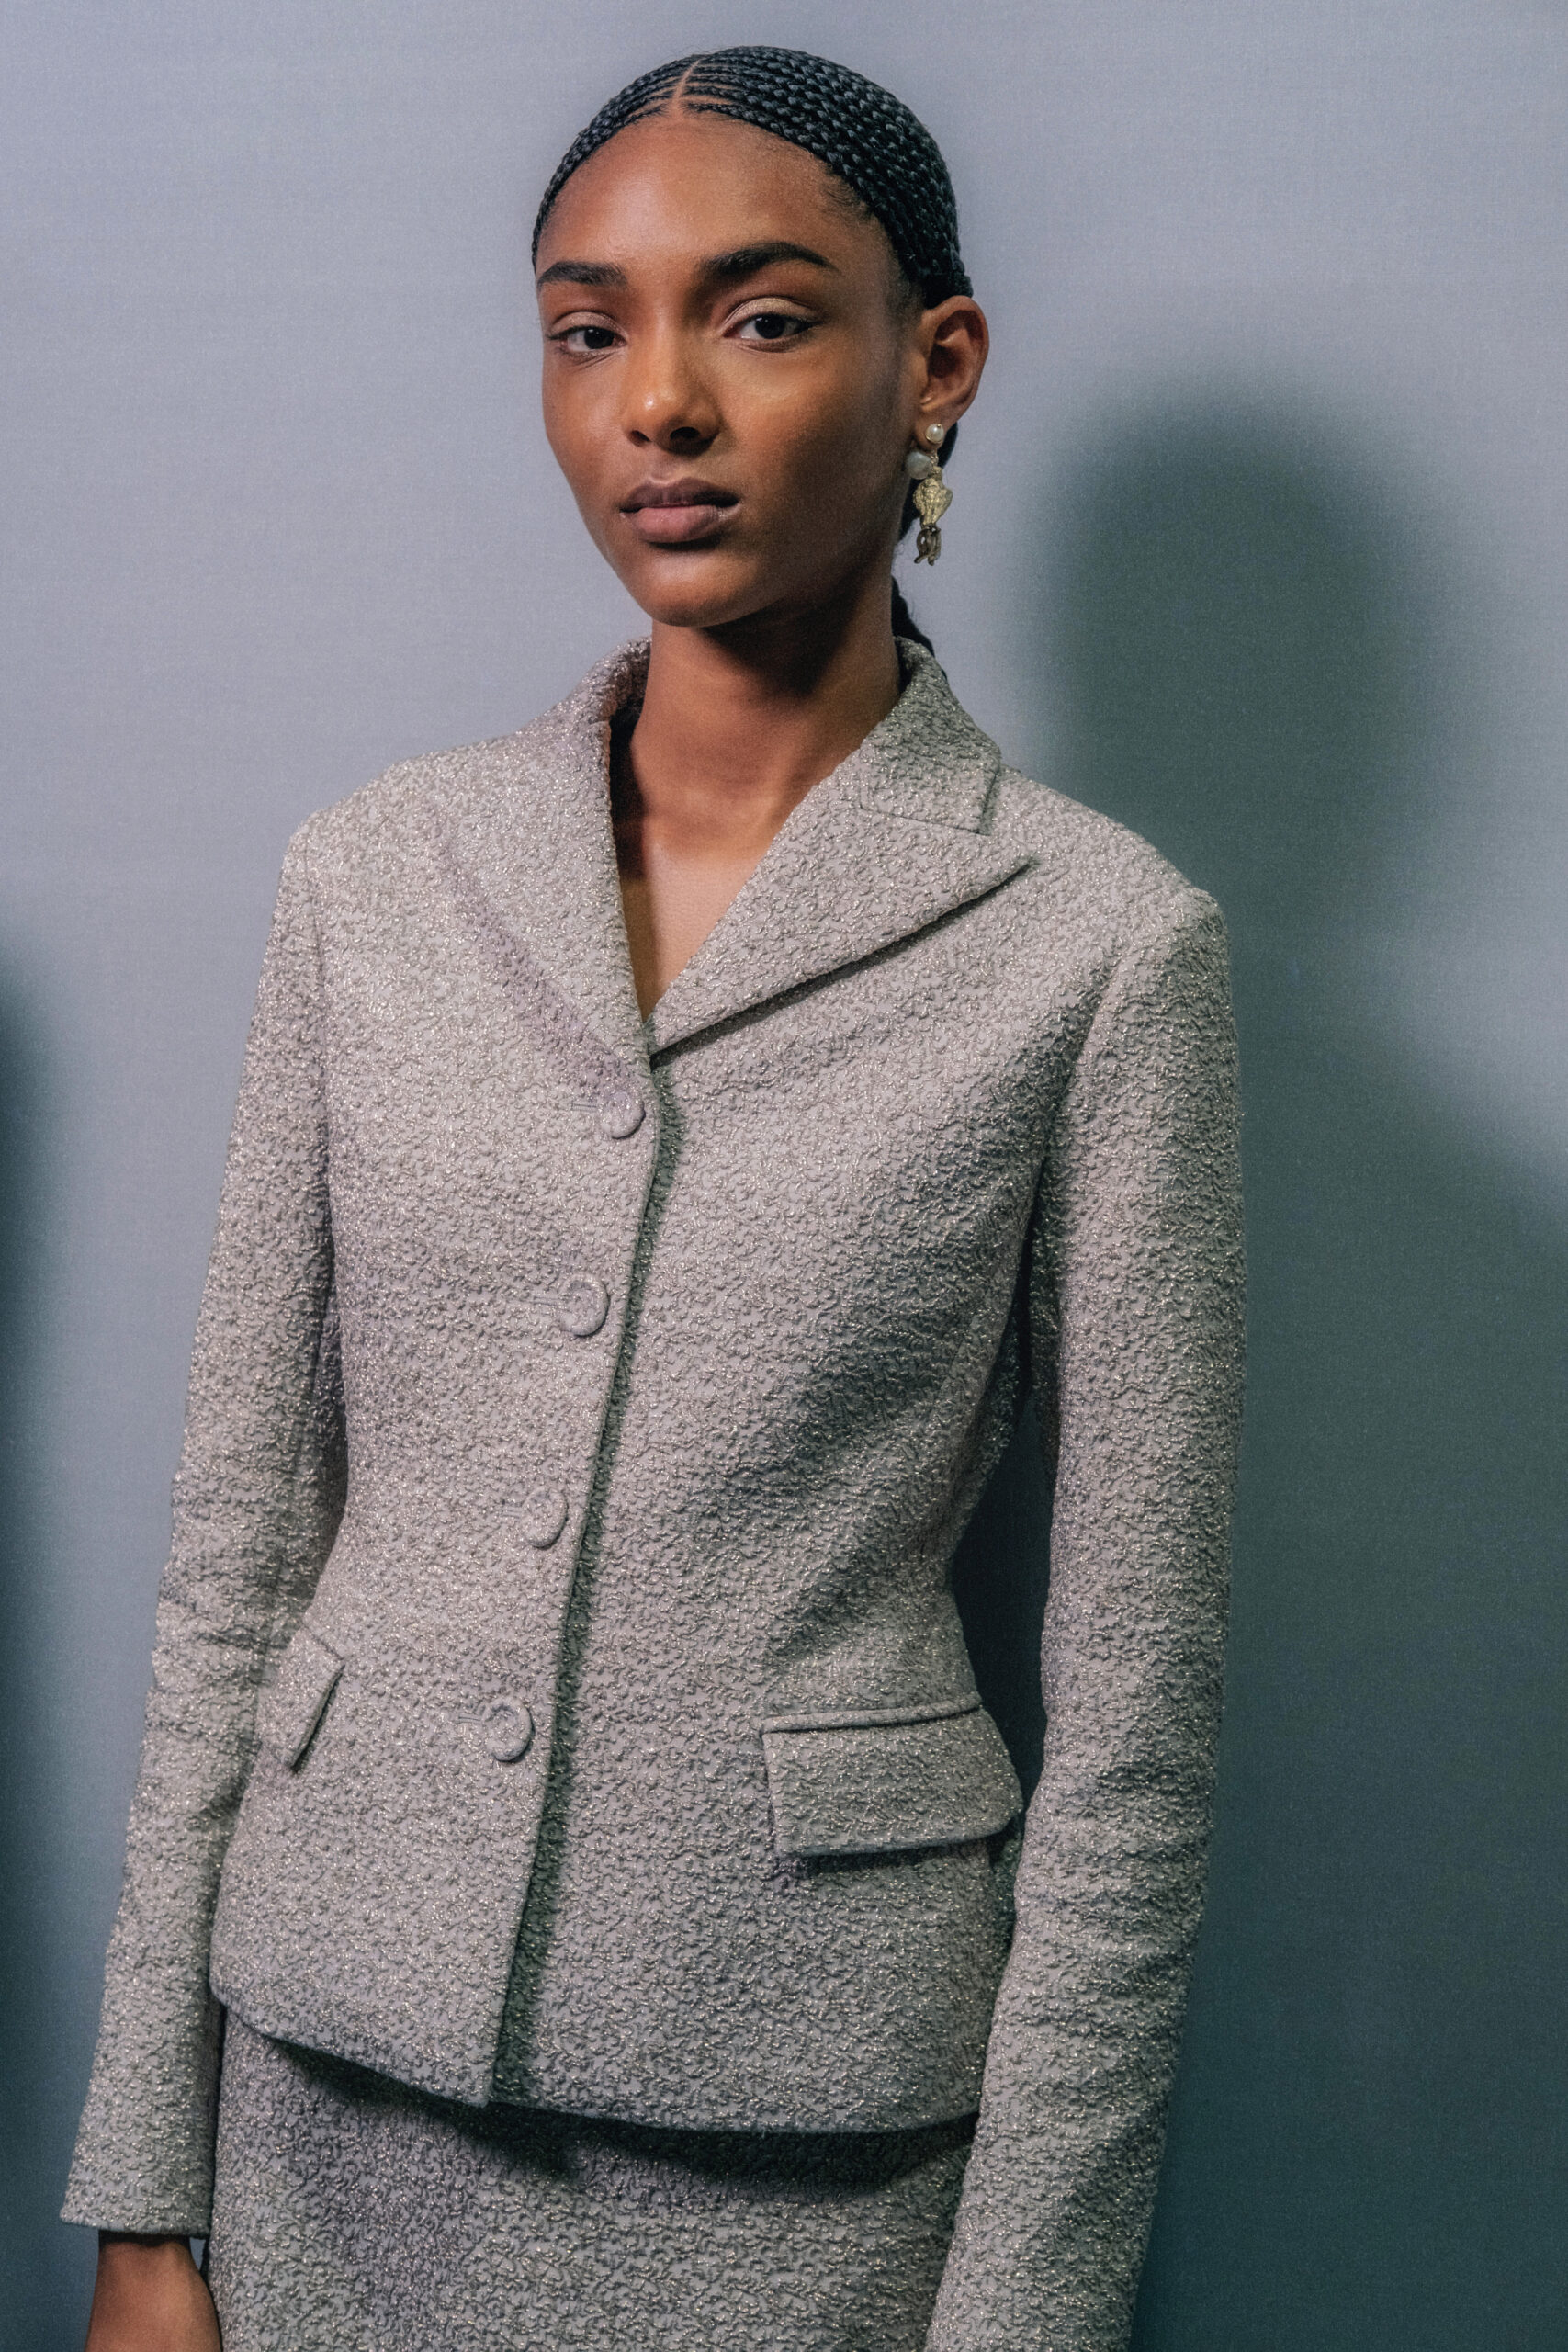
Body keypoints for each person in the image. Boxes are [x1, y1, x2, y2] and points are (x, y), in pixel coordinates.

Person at [64, 46, 1246, 2352]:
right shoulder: (371, 878)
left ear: (936, 363)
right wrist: (140, 2189)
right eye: (584, 328)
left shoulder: (1098, 950)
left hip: (796, 2152)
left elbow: (1134, 1743)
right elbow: (234, 1560)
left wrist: (1022, 2314)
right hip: (314, 2096)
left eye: (763, 317)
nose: (658, 404)